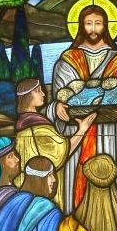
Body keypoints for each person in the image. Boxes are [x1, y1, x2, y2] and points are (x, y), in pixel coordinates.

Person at [47, 5, 117, 214]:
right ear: (80, 26)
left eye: (98, 23)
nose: (93, 29)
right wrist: (57, 107)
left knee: (112, 179)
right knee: (79, 184)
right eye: (88, 23)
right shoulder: (67, 59)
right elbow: (58, 99)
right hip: (78, 133)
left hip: (114, 135)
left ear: (106, 26)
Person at [14, 78, 96, 211]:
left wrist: (56, 106)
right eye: (38, 91)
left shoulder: (23, 124)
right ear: (28, 96)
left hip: (28, 185)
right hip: (44, 186)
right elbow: (62, 153)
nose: (43, 94)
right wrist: (82, 130)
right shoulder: (38, 128)